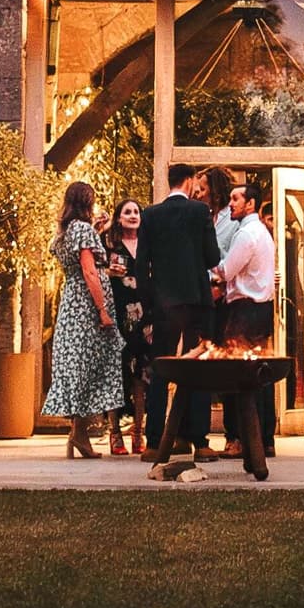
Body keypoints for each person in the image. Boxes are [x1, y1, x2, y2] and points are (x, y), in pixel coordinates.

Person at [138, 165, 221, 479]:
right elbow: (212, 257)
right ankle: (197, 440)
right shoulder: (200, 212)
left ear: (169, 181)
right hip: (197, 302)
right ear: (188, 182)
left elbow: (140, 263)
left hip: (164, 304)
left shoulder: (150, 215)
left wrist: (151, 303)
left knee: (161, 368)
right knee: (196, 369)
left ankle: (155, 441)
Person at [46, 181, 130, 459]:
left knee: (77, 364)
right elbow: (90, 272)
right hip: (86, 306)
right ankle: (80, 434)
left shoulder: (66, 231)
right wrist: (103, 310)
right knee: (89, 366)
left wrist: (96, 230)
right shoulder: (82, 230)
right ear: (87, 202)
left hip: (71, 302)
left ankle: (78, 434)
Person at [212, 171, 278, 475]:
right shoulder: (263, 233)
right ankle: (263, 439)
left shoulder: (247, 235)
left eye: (235, 199)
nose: (230, 205)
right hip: (261, 310)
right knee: (259, 375)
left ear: (250, 203)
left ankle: (241, 439)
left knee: (237, 377)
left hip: (244, 313)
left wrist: (205, 272)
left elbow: (226, 270)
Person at [106, 199, 154, 457]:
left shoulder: (149, 244)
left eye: (136, 212)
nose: (133, 215)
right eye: (127, 212)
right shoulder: (109, 243)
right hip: (118, 314)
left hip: (144, 316)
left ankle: (139, 431)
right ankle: (114, 434)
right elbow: (92, 271)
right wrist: (108, 273)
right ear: (119, 218)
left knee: (142, 375)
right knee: (117, 372)